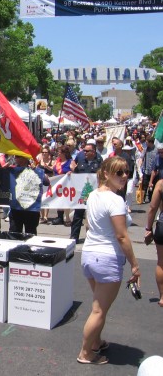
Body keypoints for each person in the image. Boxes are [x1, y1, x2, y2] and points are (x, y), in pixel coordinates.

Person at [77, 156, 140, 365]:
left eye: (126, 172)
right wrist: (135, 264)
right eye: (118, 172)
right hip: (106, 258)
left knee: (99, 305)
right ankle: (85, 353)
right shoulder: (115, 200)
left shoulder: (94, 195)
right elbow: (122, 236)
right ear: (106, 174)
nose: (124, 176)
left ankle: (95, 342)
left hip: (89, 256)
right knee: (99, 309)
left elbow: (88, 225)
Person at [70, 140, 103, 243]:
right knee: (77, 216)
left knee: (93, 216)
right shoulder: (80, 156)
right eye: (84, 150)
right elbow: (73, 163)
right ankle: (74, 237)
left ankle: (92, 237)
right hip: (81, 192)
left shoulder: (99, 160)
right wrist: (72, 169)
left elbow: (102, 175)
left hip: (93, 193)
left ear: (93, 152)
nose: (84, 152)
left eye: (87, 151)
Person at [144, 177, 163, 307]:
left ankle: (162, 296)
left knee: (161, 262)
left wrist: (148, 228)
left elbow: (152, 208)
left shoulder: (161, 183)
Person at [50, 146, 75, 226]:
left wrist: (71, 172)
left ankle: (67, 218)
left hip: (67, 184)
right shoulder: (57, 162)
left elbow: (76, 171)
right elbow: (53, 170)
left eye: (59, 152)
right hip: (57, 183)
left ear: (64, 153)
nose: (58, 153)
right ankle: (59, 217)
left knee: (66, 200)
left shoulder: (70, 161)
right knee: (58, 200)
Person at [37, 146, 54, 224]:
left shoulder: (52, 161)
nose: (44, 154)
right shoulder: (39, 161)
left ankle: (46, 216)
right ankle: (41, 215)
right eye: (43, 152)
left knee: (47, 199)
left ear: (48, 153)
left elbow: (54, 170)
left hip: (49, 182)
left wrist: (47, 167)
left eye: (45, 152)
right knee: (40, 198)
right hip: (40, 182)